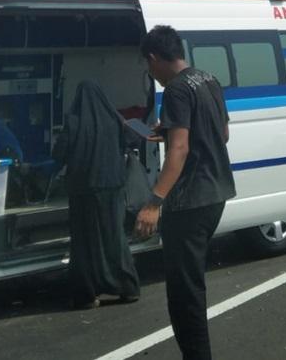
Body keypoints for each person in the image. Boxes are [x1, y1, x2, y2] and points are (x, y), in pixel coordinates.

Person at [135, 25, 236, 360]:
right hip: (217, 192)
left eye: (148, 67)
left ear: (154, 58)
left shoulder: (176, 91)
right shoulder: (208, 79)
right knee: (191, 285)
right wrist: (170, 131)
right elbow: (221, 134)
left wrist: (153, 202)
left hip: (190, 200)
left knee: (184, 293)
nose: (152, 74)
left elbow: (179, 151)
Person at [53, 81, 140, 310]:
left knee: (84, 244)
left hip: (83, 191)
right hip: (112, 187)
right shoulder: (114, 120)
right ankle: (127, 287)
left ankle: (87, 295)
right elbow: (134, 139)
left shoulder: (73, 122)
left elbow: (59, 154)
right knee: (115, 238)